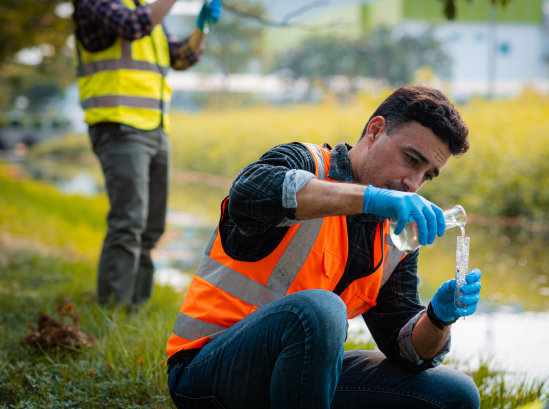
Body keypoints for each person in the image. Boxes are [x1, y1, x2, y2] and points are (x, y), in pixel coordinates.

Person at [166, 86, 483, 409]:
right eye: (411, 159)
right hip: (206, 371)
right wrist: (370, 199)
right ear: (375, 130)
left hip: (297, 376)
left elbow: (407, 351)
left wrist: (438, 317)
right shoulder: (306, 163)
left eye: (427, 175)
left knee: (455, 394)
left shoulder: (397, 233)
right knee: (322, 309)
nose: (413, 184)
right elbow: (248, 192)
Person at [73, 0, 222, 308]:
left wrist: (202, 28)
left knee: (152, 225)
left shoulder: (142, 6)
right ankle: (114, 308)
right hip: (118, 124)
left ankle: (135, 304)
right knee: (128, 221)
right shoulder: (96, 3)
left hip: (154, 127)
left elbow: (181, 57)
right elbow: (132, 25)